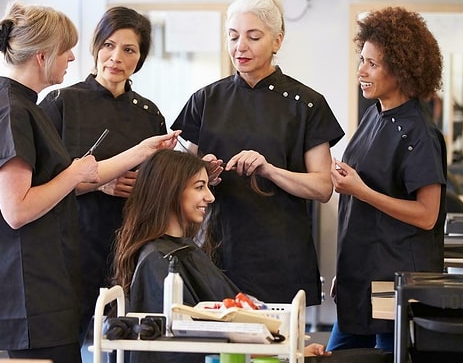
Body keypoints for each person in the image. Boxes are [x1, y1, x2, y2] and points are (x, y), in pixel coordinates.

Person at [0, 2, 177, 363]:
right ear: (42, 55)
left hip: (47, 278)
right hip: (27, 285)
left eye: (128, 49)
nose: (71, 57)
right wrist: (75, 174)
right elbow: (17, 209)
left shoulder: (24, 107)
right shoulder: (11, 111)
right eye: (66, 49)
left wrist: (144, 150)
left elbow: (83, 173)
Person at [171, 0, 344, 307]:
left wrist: (270, 169)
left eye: (253, 36)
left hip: (281, 252)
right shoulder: (205, 100)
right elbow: (177, 179)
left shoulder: (306, 104)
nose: (240, 47)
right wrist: (203, 173)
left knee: (277, 351)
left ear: (277, 40)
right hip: (215, 245)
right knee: (220, 351)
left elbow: (322, 188)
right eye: (233, 36)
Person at [111, 149, 332, 363]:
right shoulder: (158, 261)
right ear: (170, 190)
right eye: (200, 187)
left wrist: (289, 351)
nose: (210, 197)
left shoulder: (180, 250)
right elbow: (179, 349)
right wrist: (284, 354)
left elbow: (222, 322)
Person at [39, 6, 168, 343]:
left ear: (140, 58)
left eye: (129, 50)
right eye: (109, 45)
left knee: (125, 345)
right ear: (95, 47)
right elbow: (38, 185)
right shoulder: (60, 103)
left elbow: (160, 182)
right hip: (72, 246)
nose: (116, 57)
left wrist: (148, 185)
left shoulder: (149, 114)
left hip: (132, 249)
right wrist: (101, 183)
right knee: (71, 342)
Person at [326, 6, 447, 353]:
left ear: (402, 69)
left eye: (372, 64)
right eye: (361, 59)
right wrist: (349, 270)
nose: (361, 71)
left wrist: (362, 191)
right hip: (362, 277)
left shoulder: (419, 134)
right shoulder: (374, 116)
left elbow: (427, 215)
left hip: (394, 284)